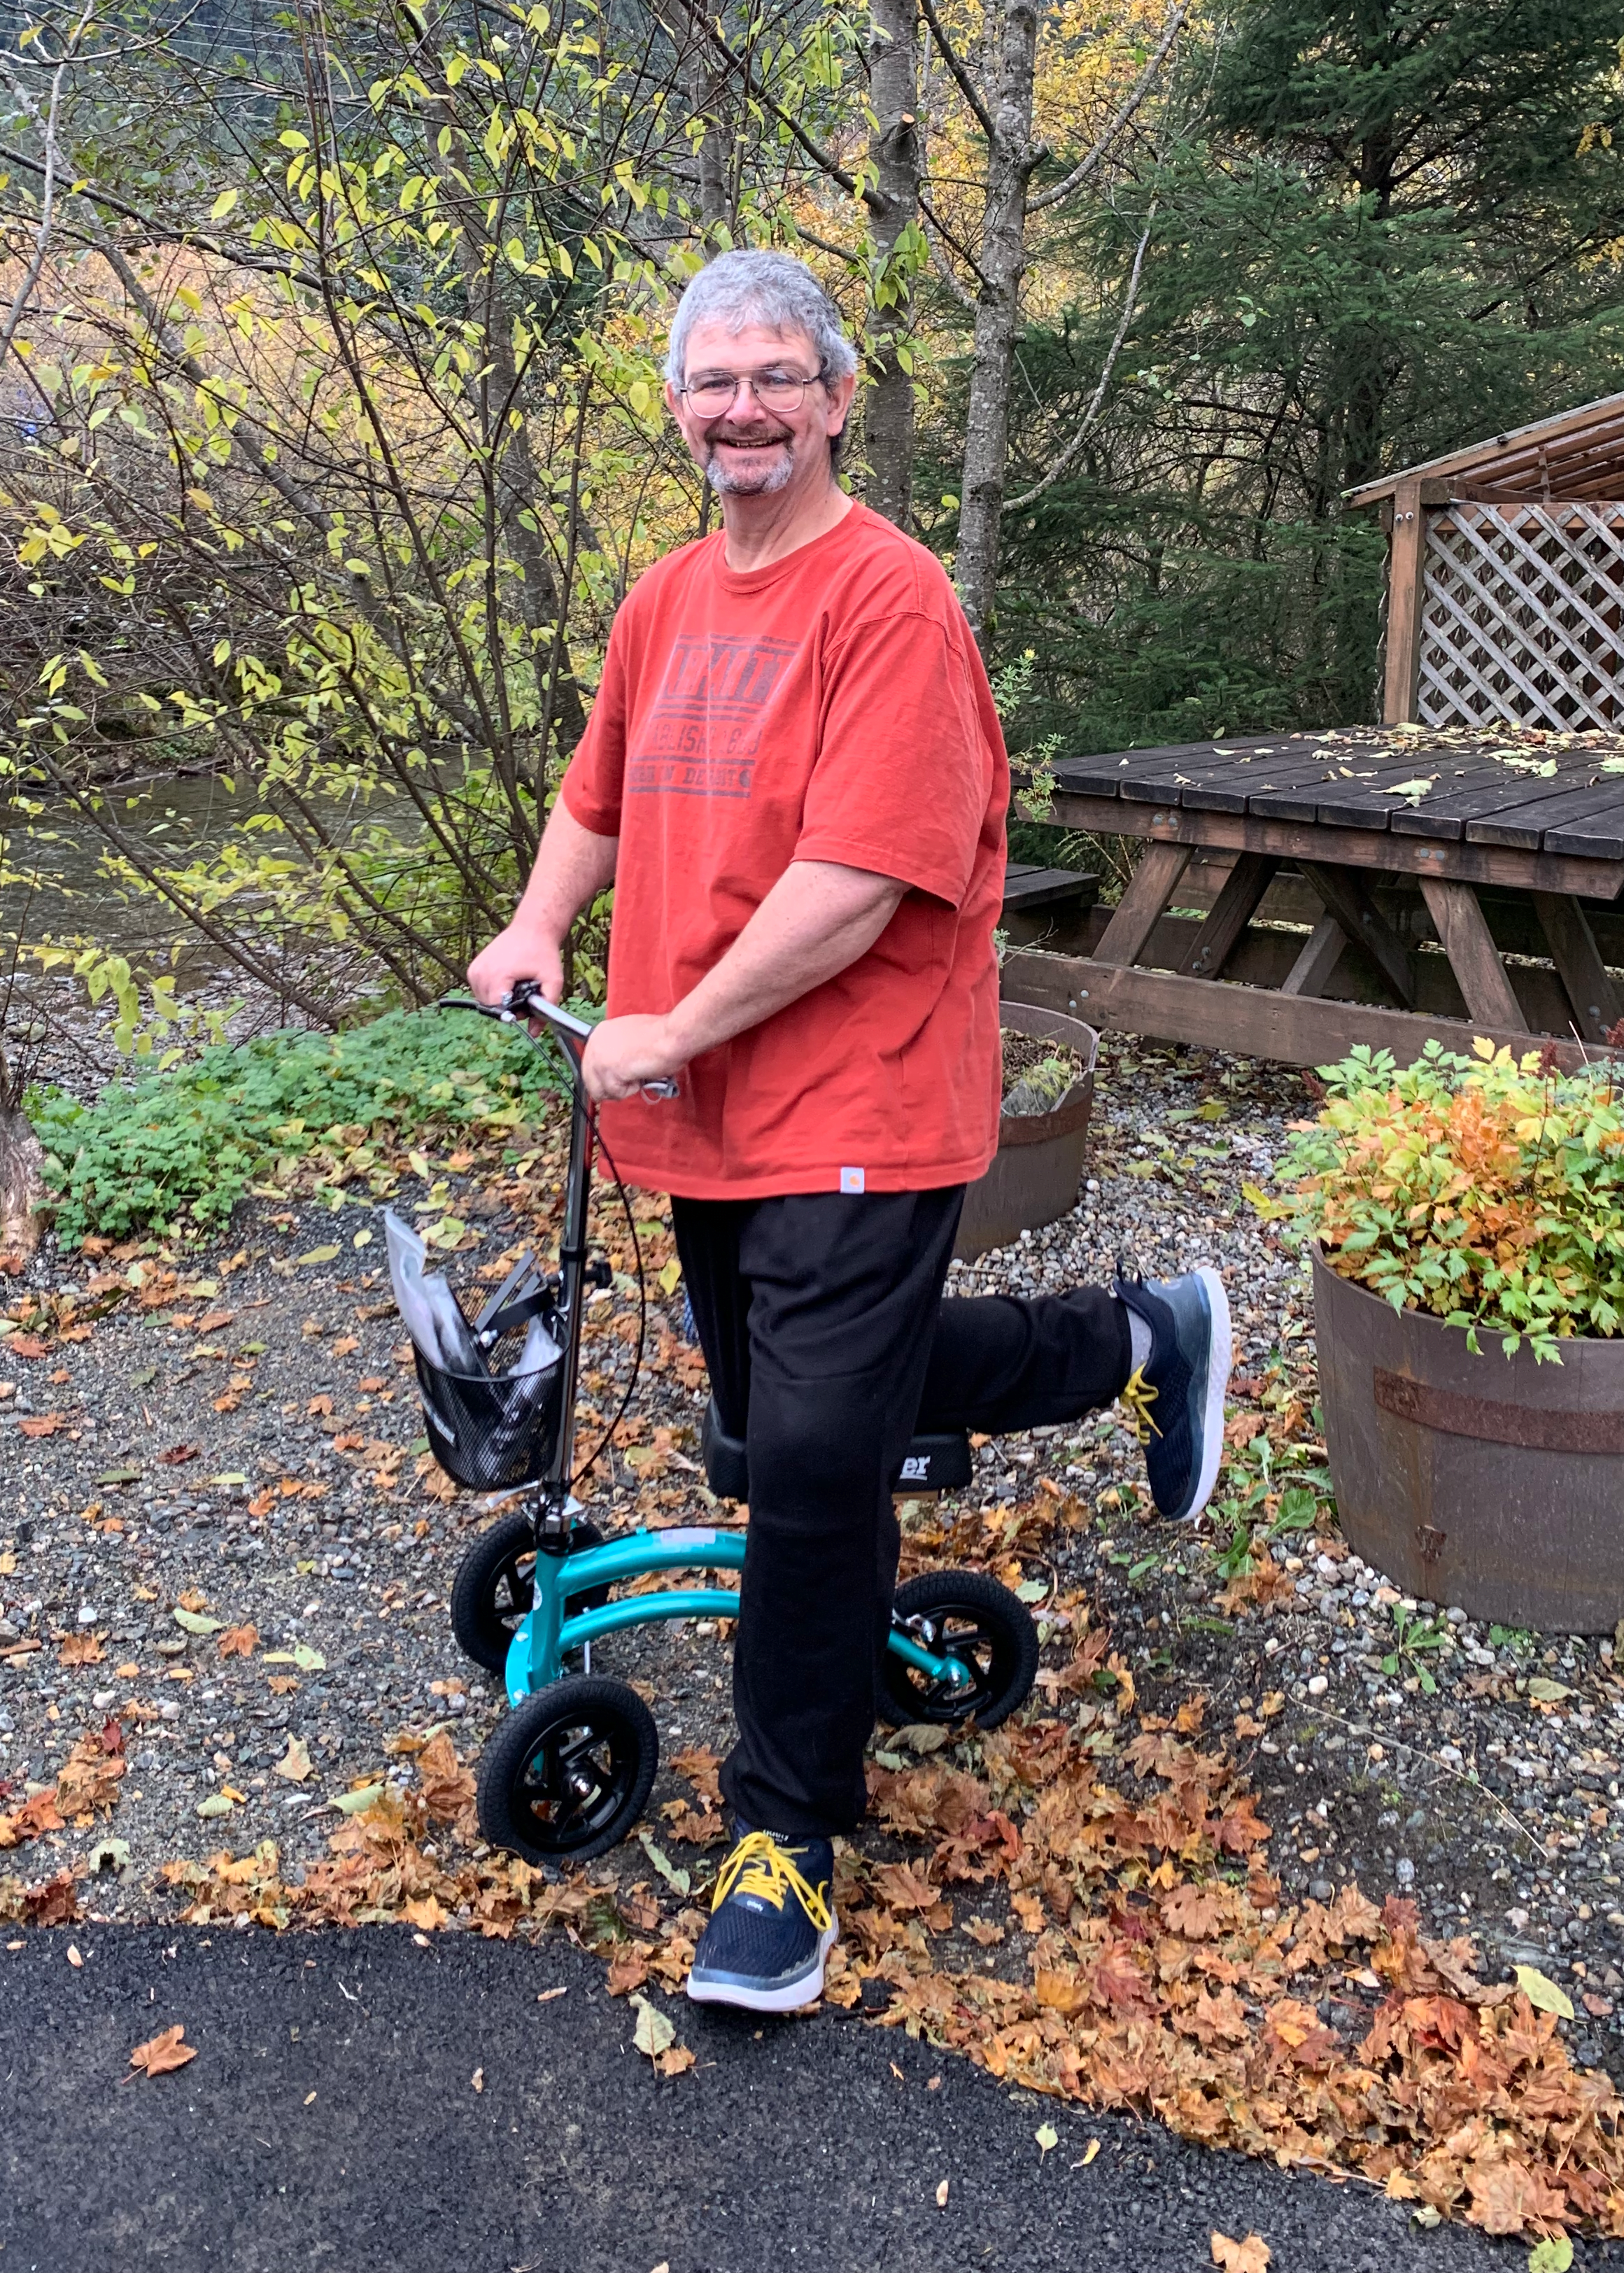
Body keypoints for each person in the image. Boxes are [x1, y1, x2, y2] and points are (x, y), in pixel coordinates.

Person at [467, 249, 1230, 2015]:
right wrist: (538, 928)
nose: (742, 409)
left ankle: (784, 1847)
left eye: (774, 379)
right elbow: (595, 797)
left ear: (831, 397)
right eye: (711, 381)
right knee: (785, 1405)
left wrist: (670, 1025)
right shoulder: (664, 600)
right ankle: (1138, 1337)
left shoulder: (887, 602)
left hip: (861, 1094)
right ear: (679, 404)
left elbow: (861, 885)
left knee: (808, 1467)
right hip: (702, 1098)